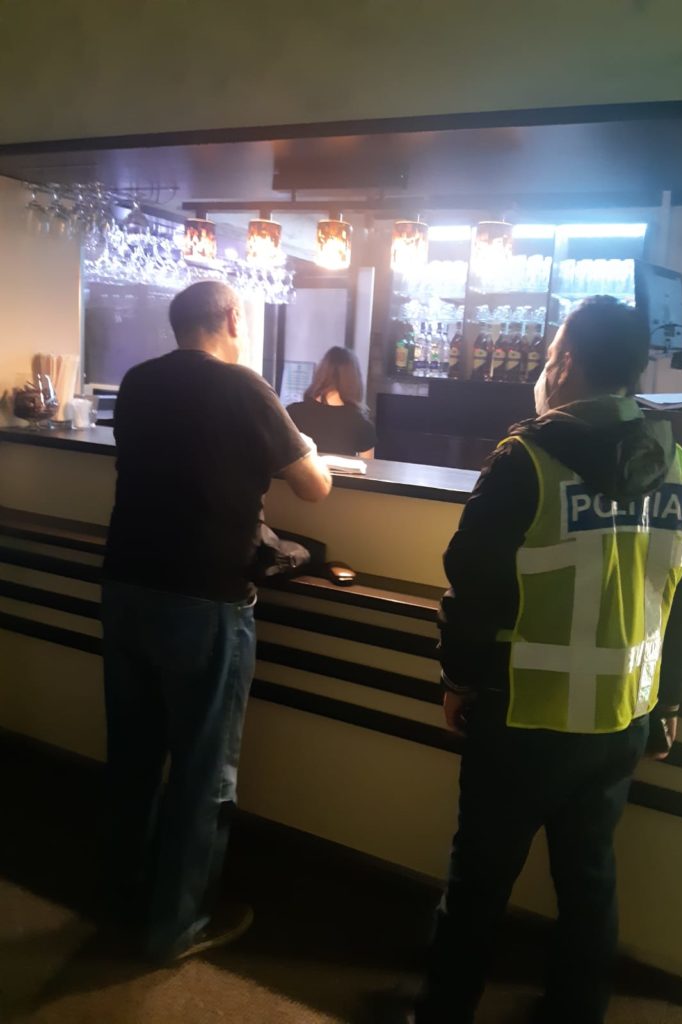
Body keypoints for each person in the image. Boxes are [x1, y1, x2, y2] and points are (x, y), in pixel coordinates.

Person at [413, 296, 682, 1024]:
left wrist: (458, 679)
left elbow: (473, 586)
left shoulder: (524, 462)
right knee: (589, 884)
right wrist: (670, 700)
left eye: (551, 354)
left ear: (567, 362)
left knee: (479, 884)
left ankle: (444, 1014)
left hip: (523, 716)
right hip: (621, 721)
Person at [101, 281, 332, 962]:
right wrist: (303, 440)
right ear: (232, 318)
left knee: (133, 758)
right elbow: (315, 486)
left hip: (125, 586)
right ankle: (177, 925)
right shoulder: (244, 387)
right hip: (204, 599)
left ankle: (122, 900)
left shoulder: (138, 382)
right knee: (203, 771)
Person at [287, 346, 377, 458]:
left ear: (320, 374)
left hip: (299, 470)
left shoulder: (292, 412)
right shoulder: (361, 424)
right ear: (354, 380)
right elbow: (368, 466)